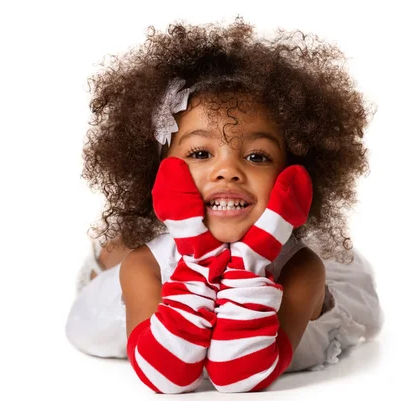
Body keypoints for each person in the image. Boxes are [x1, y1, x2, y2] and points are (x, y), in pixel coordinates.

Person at [65, 17, 384, 393]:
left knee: (339, 259)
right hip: (142, 279)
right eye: (201, 153)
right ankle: (106, 252)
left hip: (282, 277)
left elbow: (243, 372)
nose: (228, 171)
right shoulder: (144, 265)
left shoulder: (303, 269)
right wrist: (194, 249)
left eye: (258, 157)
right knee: (115, 254)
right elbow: (164, 376)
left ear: (291, 176)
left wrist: (256, 253)